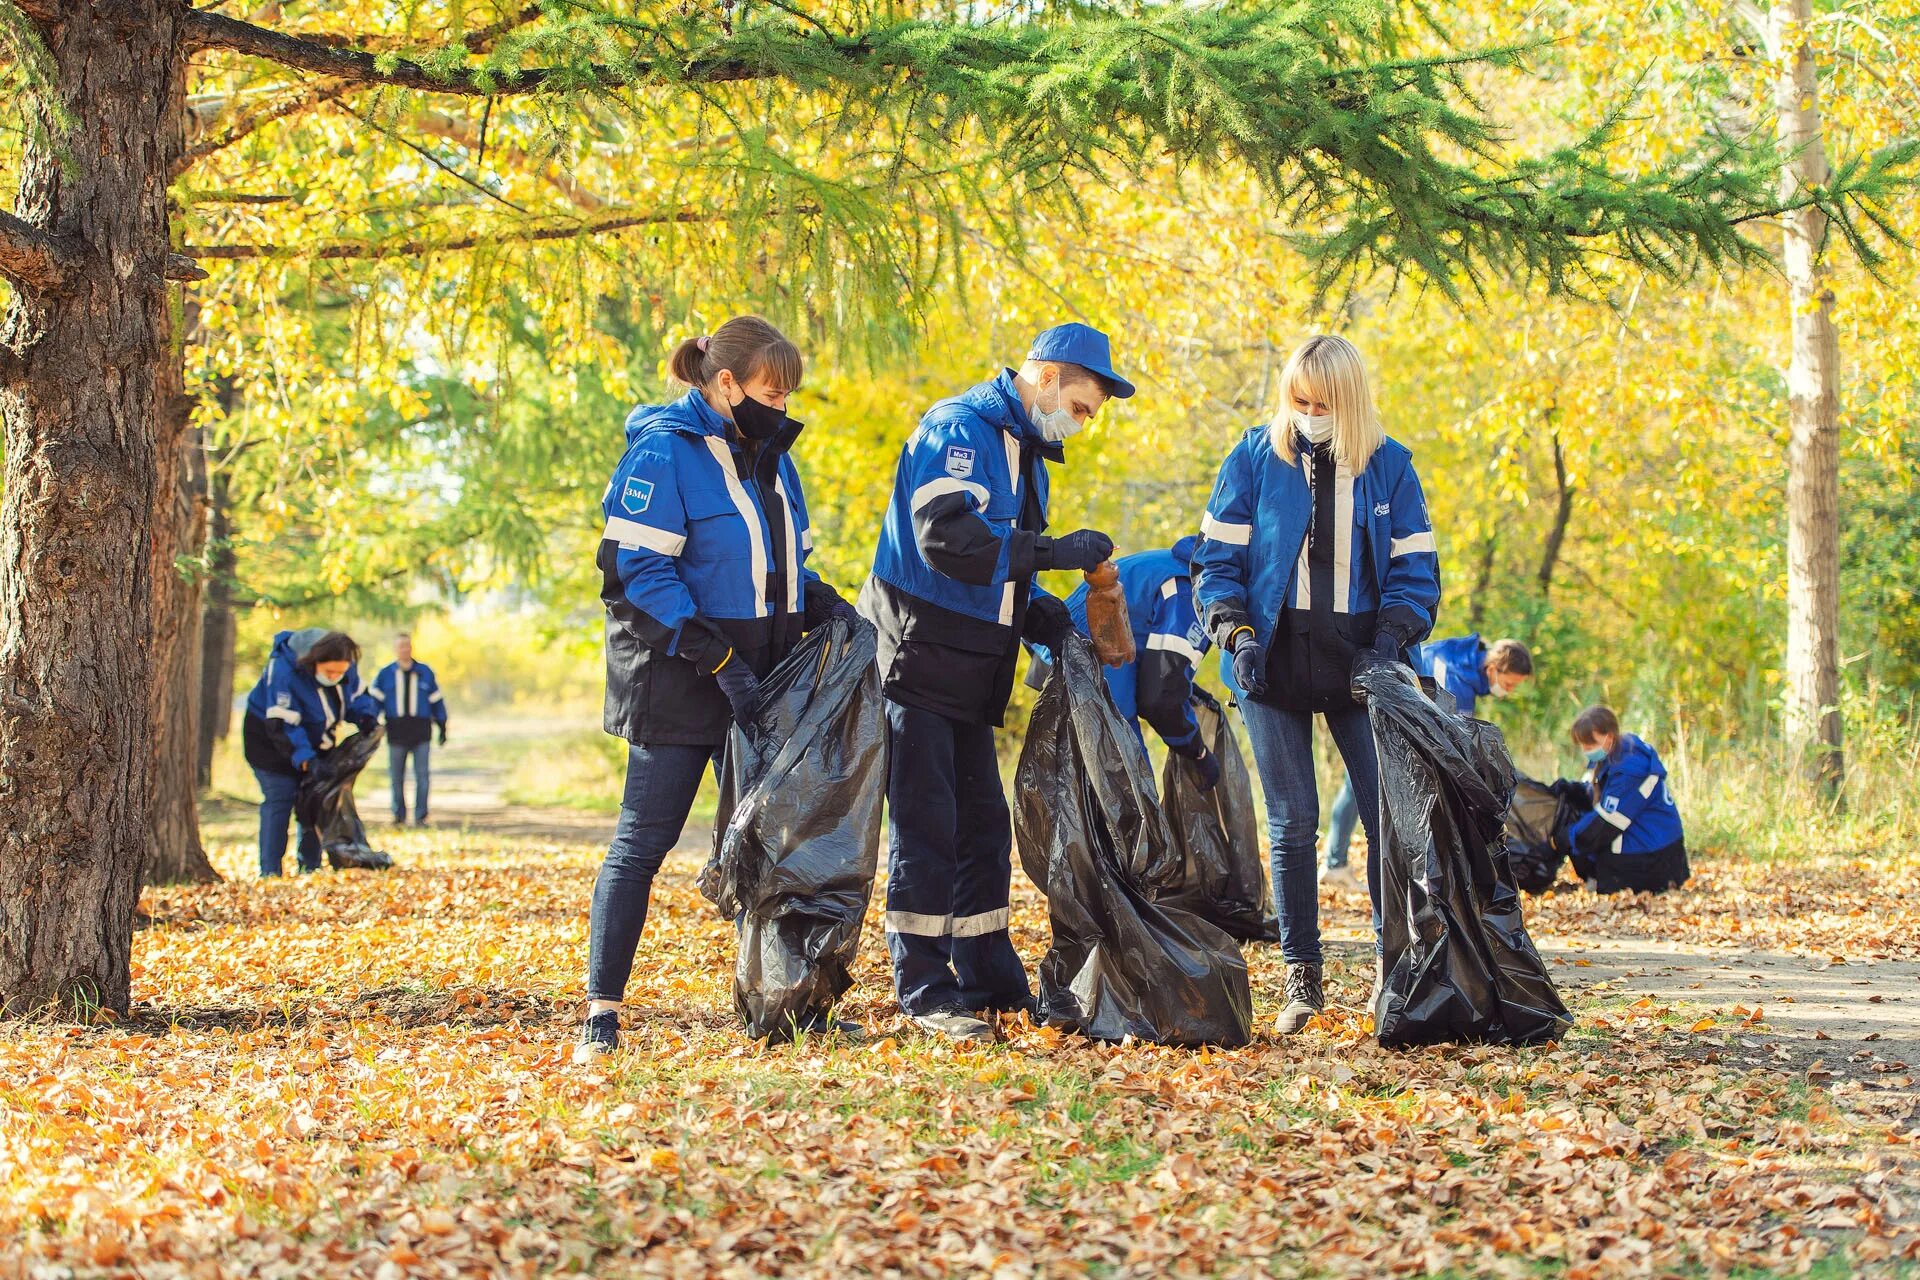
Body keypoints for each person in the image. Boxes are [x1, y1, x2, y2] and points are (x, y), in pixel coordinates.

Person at [581, 316, 861, 1056]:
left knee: (770, 847)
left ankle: (785, 1008)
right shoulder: (661, 452)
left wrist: (825, 604)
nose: (784, 403)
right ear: (725, 383)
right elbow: (636, 575)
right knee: (643, 843)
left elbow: (783, 566)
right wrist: (716, 660)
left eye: (791, 391)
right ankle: (601, 1015)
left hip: (760, 686)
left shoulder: (773, 461)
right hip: (679, 679)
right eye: (774, 390)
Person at [863, 322, 1131, 1042]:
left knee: (984, 829)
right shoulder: (960, 429)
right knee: (927, 828)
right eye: (1079, 405)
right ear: (1046, 376)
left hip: (974, 670)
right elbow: (947, 540)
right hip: (917, 658)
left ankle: (984, 974)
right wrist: (1053, 553)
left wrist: (1045, 618)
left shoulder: (1027, 452)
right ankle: (923, 988)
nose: (1081, 422)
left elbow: (1001, 569)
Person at [1192, 334, 1441, 1034]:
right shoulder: (1253, 456)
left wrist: (1389, 644)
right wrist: (1236, 635)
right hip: (1268, 659)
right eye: (1298, 401)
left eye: (1322, 403)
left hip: (1361, 661)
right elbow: (1216, 563)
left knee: (1386, 816)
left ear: (1350, 401)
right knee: (1293, 822)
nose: (1308, 413)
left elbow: (1416, 572)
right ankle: (1303, 980)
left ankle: (1398, 971)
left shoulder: (1389, 467)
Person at [1321, 635, 1532, 885]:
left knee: (1356, 783)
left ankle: (1336, 861)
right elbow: (1451, 743)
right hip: (1386, 714)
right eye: (1508, 685)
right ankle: (1339, 864)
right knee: (1360, 782)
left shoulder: (1462, 657)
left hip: (1392, 709)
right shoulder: (1458, 679)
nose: (1508, 691)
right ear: (1493, 669)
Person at [1032, 536, 1220, 788]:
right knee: (1129, 795)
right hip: (1090, 667)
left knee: (1087, 791)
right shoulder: (1192, 593)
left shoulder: (1169, 566)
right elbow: (1161, 697)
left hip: (1061, 653)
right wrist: (1197, 752)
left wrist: (1184, 687)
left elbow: (1159, 668)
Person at [241, 629, 379, 877]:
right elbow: (284, 726)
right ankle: (270, 871)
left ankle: (310, 866)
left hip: (316, 739)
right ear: (313, 662)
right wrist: (307, 760)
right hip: (270, 740)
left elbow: (355, 696)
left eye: (341, 672)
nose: (336, 677)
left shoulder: (344, 664)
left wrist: (366, 716)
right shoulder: (283, 672)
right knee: (280, 797)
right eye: (330, 673)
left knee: (315, 799)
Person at [1552, 704, 1690, 894]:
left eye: (1590, 745)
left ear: (1608, 737)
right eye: (1582, 745)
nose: (1585, 750)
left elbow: (1607, 822)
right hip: (1650, 845)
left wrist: (1568, 838)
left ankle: (1601, 879)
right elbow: (1598, 792)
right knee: (1571, 812)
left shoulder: (1631, 768)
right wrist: (1574, 790)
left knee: (1578, 833)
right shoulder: (1615, 752)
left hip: (1654, 855)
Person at [370, 632, 448, 827]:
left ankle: (421, 816)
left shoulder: (425, 672)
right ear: (396, 649)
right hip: (396, 730)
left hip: (421, 730)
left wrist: (442, 725)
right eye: (401, 646)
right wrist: (369, 723)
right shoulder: (385, 674)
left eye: (407, 645)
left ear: (411, 648)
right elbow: (374, 702)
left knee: (422, 775)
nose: (404, 649)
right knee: (396, 776)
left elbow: (436, 701)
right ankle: (399, 816)